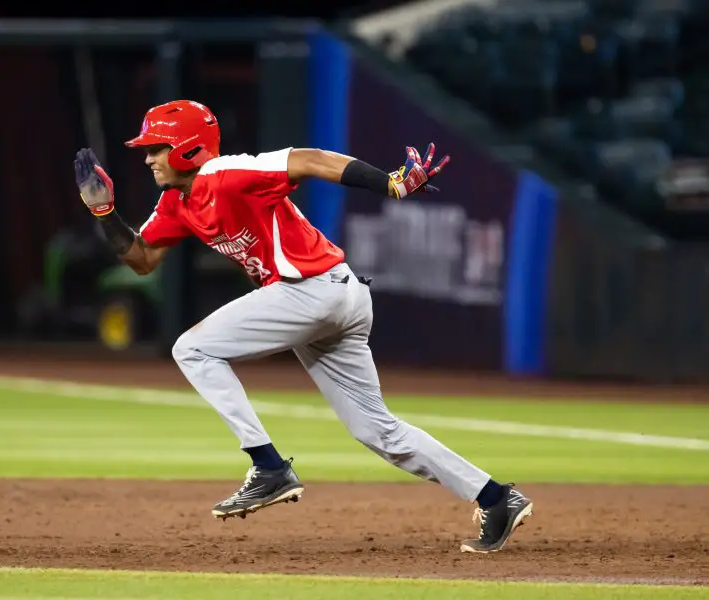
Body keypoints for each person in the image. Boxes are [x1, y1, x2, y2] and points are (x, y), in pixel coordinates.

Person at [73, 99, 533, 553]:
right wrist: (103, 213)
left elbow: (309, 160)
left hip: (312, 292)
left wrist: (389, 183)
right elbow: (142, 258)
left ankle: (268, 465)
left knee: (192, 349)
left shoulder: (224, 173)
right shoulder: (177, 202)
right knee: (379, 432)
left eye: (156, 147)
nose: (148, 158)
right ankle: (495, 497)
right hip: (336, 297)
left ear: (188, 149)